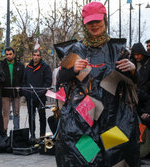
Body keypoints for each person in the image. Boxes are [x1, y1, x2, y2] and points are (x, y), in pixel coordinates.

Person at [55, 2, 140, 166]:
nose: (94, 26)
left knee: (114, 156)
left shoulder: (118, 49)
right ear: (84, 24)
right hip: (83, 115)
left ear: (105, 20)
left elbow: (135, 83)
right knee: (87, 157)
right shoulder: (76, 50)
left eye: (97, 21)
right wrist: (72, 69)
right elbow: (61, 78)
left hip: (114, 114)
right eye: (90, 22)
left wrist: (133, 70)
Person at [22, 49, 52, 139]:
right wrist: (26, 93)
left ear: (40, 57)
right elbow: (24, 82)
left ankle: (42, 136)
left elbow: (48, 82)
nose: (35, 57)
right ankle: (33, 136)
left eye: (38, 55)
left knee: (42, 117)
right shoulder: (28, 67)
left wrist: (40, 92)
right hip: (30, 97)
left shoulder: (45, 67)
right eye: (34, 55)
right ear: (32, 56)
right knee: (31, 117)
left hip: (40, 97)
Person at [131, 43, 150, 158]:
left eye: (138, 55)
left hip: (145, 99)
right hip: (137, 98)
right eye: (135, 55)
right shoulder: (133, 63)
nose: (137, 57)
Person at [0, 47, 25, 135]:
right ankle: (4, 133)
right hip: (5, 93)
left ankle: (16, 132)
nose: (8, 56)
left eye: (10, 54)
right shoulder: (1, 65)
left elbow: (23, 79)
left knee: (16, 113)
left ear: (14, 55)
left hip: (16, 93)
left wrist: (21, 90)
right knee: (5, 113)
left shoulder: (20, 65)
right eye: (7, 54)